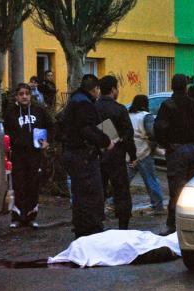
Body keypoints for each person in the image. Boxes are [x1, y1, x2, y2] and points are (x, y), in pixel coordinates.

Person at [154, 74, 194, 235]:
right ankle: (192, 222)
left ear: (172, 86)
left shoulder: (168, 105)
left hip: (176, 150)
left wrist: (166, 144)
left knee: (176, 189)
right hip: (193, 149)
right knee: (191, 187)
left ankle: (173, 224)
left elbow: (159, 128)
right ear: (186, 87)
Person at [61, 74, 114, 239]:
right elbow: (89, 129)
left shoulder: (76, 101)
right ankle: (91, 230)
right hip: (83, 155)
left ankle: (82, 229)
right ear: (95, 89)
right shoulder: (85, 104)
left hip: (73, 154)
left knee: (80, 194)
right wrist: (107, 142)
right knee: (92, 194)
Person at [3, 83, 53, 229]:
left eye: (27, 93)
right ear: (16, 96)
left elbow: (51, 126)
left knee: (33, 184)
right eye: (21, 94)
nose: (24, 96)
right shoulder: (10, 113)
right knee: (18, 185)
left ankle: (31, 216)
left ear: (30, 95)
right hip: (17, 154)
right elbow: (6, 133)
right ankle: (17, 217)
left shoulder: (39, 111)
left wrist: (47, 141)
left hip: (34, 154)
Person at [96, 75, 137, 230]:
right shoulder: (119, 109)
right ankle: (123, 224)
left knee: (98, 189)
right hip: (116, 156)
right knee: (121, 191)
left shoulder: (93, 107)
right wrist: (132, 156)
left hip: (97, 155)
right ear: (113, 90)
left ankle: (97, 222)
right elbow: (128, 135)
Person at [128, 95, 165, 214]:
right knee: (151, 179)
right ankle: (158, 205)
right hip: (144, 151)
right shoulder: (146, 116)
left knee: (125, 179)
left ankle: (112, 201)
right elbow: (152, 133)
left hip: (130, 151)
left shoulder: (129, 115)